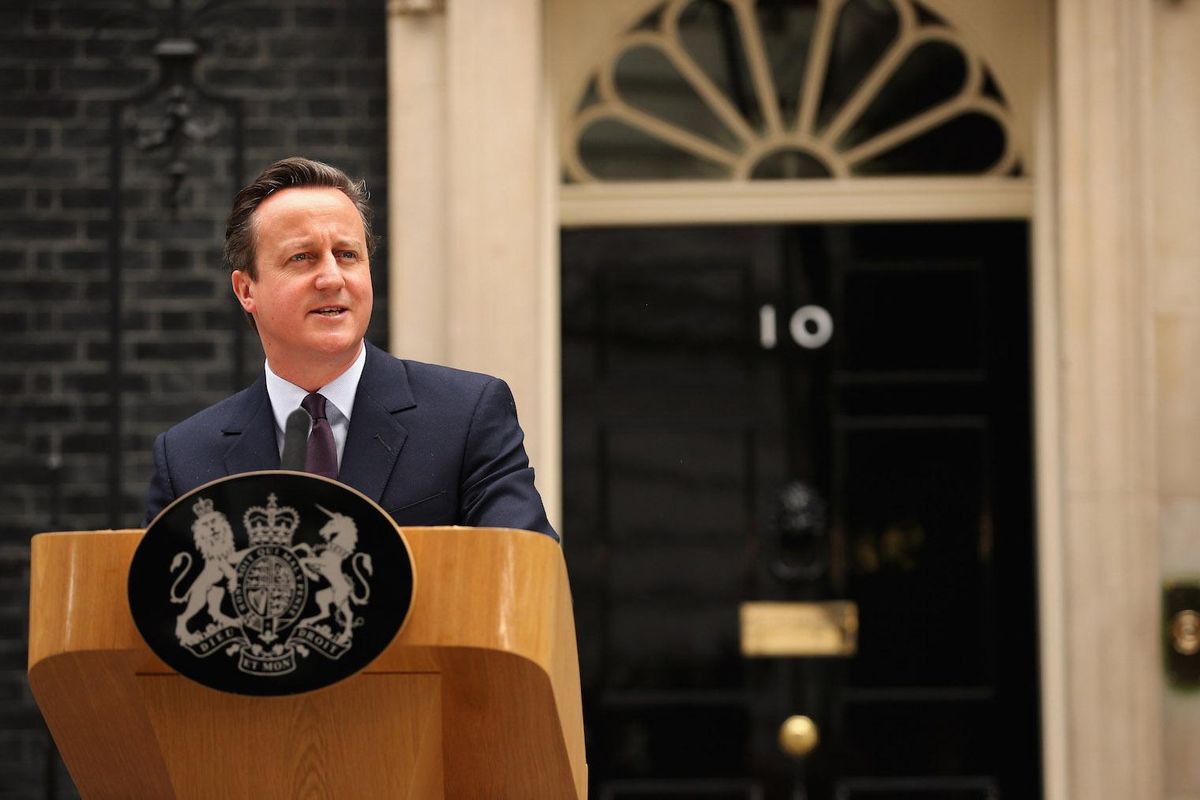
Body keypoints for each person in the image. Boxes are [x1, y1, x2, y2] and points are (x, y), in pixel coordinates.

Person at [145, 157, 556, 539]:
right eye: (302, 257)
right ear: (246, 289)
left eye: (347, 255)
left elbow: (525, 574)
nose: (331, 278)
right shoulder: (186, 458)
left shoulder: (467, 415)